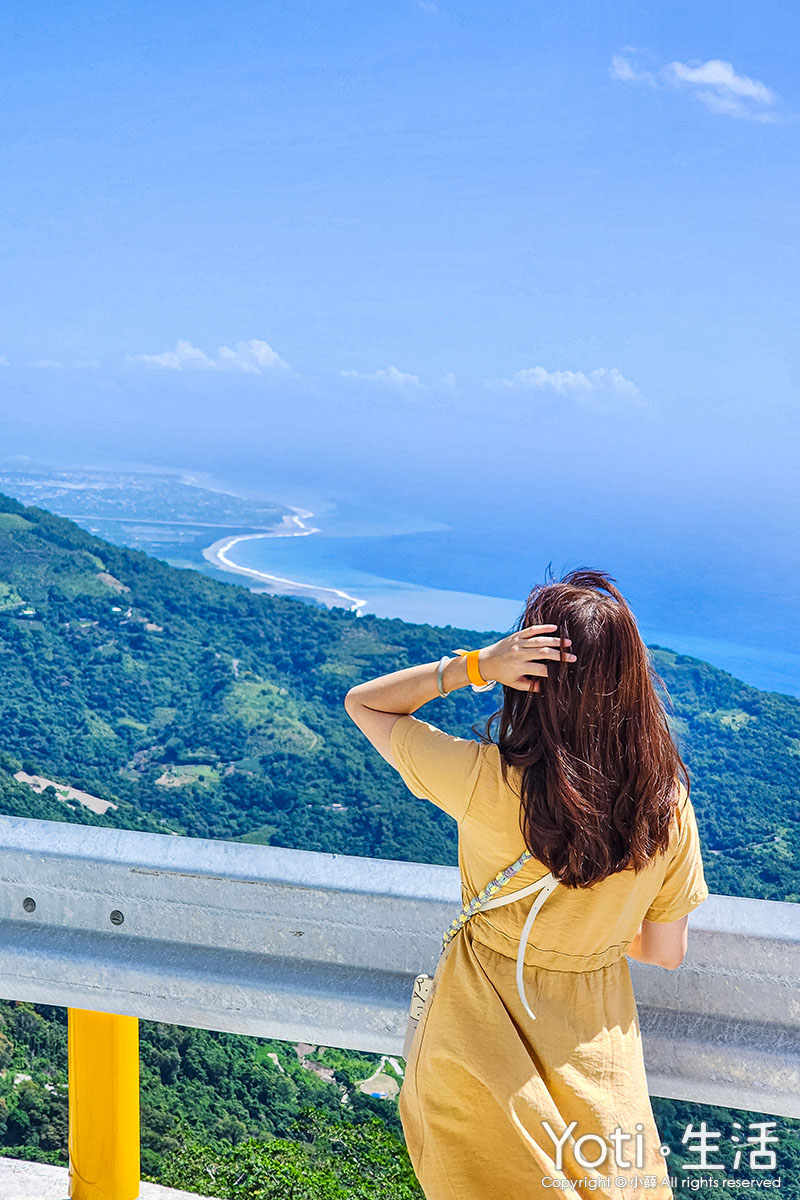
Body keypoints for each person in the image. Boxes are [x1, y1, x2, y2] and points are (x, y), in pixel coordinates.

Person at [344, 567, 709, 1200]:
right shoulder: (666, 805)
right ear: (631, 681)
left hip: (476, 1039)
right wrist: (587, 934)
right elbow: (666, 950)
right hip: (597, 1052)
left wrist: (478, 665)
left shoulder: (485, 780)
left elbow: (364, 703)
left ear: (531, 682)